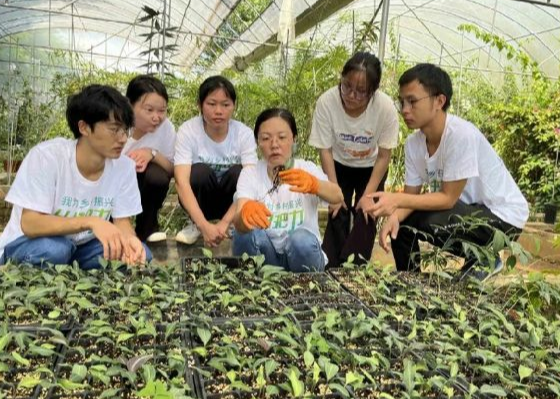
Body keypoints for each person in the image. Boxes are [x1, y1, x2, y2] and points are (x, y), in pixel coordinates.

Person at [365, 63, 529, 277]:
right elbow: (411, 196)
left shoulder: (461, 135)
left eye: (413, 101)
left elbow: (447, 199)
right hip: (466, 211)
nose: (405, 109)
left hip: (503, 219)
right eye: (402, 102)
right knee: (402, 226)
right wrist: (395, 216)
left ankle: (484, 258)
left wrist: (396, 202)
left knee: (428, 220)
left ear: (439, 101)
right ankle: (410, 285)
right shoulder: (413, 144)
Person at [0, 85, 152, 269]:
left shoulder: (124, 167)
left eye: (125, 130)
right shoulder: (47, 157)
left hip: (81, 248)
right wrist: (90, 222)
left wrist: (130, 240)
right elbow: (30, 223)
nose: (122, 139)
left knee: (142, 253)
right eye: (114, 129)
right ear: (84, 127)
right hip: (30, 244)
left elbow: (122, 222)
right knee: (55, 250)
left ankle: (72, 270)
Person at [308, 52, 399, 268]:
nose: (351, 95)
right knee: (337, 210)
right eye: (346, 86)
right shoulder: (327, 102)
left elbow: (384, 155)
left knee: (367, 214)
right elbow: (325, 150)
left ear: (373, 92)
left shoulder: (385, 108)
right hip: (337, 164)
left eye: (361, 92)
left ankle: (355, 268)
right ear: (341, 79)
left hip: (371, 166)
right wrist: (334, 191)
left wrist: (368, 195)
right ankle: (331, 266)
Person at [232, 108, 343, 272]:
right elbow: (240, 223)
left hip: (302, 257)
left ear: (294, 139)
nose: (274, 145)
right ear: (258, 143)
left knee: (300, 240)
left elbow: (337, 196)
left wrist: (315, 185)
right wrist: (244, 215)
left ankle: (308, 288)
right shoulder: (250, 173)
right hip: (267, 257)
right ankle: (253, 287)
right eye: (266, 138)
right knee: (243, 234)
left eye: (282, 137)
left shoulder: (306, 169)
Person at [174, 75, 257, 247]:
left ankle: (234, 225)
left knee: (240, 174)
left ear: (233, 106)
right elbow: (181, 182)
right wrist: (204, 226)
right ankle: (196, 225)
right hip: (202, 200)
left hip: (231, 203)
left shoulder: (244, 134)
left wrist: (225, 222)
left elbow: (251, 182)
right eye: (211, 104)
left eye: (225, 105)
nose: (218, 111)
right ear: (200, 105)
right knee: (199, 172)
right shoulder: (188, 130)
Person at [124, 75, 175, 243]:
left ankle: (147, 229)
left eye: (162, 111)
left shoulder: (166, 128)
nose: (157, 117)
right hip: (114, 183)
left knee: (157, 176)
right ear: (130, 105)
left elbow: (171, 169)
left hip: (144, 182)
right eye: (149, 110)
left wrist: (151, 153)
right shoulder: (116, 126)